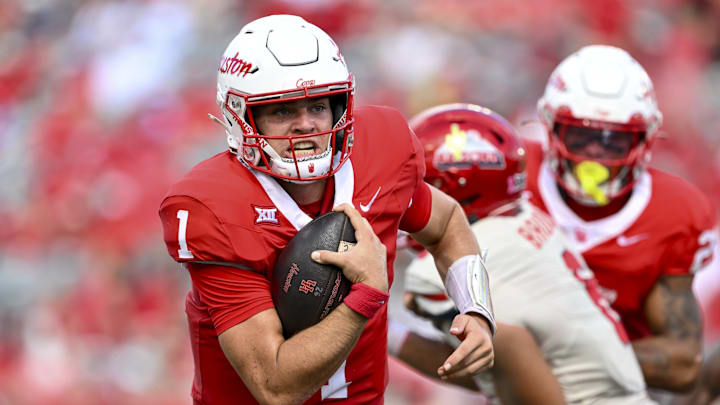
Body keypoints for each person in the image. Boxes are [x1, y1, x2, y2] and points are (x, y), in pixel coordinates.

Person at [157, 15, 495, 405]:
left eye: (318, 106)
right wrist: (366, 293)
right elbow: (276, 386)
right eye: (282, 111)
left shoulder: (380, 148)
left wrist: (475, 308)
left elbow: (446, 222)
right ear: (240, 117)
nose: (305, 125)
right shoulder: (212, 205)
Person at [390, 103, 656, 404]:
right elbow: (492, 371)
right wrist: (388, 332)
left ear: (449, 187)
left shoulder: (431, 274)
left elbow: (505, 355)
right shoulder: (527, 215)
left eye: (416, 185)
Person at [527, 44, 719, 395]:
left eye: (614, 140)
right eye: (582, 135)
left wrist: (553, 354)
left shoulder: (674, 211)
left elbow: (681, 363)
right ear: (551, 126)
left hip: (617, 391)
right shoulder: (511, 175)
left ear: (645, 138)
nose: (596, 153)